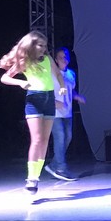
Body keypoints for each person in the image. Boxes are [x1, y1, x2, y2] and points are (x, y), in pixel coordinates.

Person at [0, 31, 64, 194]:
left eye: (45, 46)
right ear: (32, 46)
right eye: (40, 45)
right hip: (34, 99)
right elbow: (5, 78)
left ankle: (36, 176)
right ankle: (31, 178)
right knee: (37, 139)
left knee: (45, 141)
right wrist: (20, 83)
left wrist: (62, 87)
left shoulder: (48, 59)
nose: (43, 48)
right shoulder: (25, 61)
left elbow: (57, 73)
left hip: (49, 98)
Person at [46, 47, 86, 181]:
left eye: (66, 56)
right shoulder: (52, 74)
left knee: (67, 138)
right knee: (60, 137)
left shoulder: (71, 74)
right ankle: (61, 168)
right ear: (56, 60)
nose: (64, 59)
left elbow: (71, 90)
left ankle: (53, 165)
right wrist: (54, 102)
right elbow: (45, 91)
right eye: (61, 57)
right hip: (54, 112)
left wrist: (77, 96)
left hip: (67, 112)